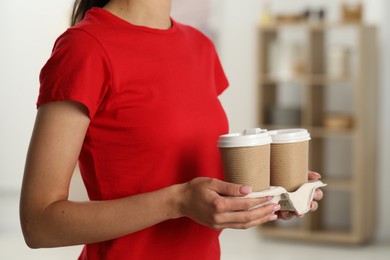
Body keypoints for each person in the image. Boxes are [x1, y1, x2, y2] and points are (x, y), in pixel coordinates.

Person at [20, 0, 323, 259]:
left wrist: (272, 193)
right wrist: (177, 202)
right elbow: (39, 224)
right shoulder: (84, 48)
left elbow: (196, 179)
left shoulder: (199, 45)